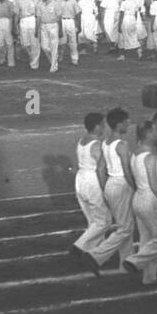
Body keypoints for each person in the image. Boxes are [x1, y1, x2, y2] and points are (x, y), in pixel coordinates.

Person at [91, 107, 137, 272]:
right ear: (119, 124)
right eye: (126, 122)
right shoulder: (122, 145)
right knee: (125, 228)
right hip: (122, 185)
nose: (128, 124)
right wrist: (136, 188)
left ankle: (126, 263)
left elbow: (100, 168)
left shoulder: (105, 143)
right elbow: (127, 170)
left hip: (111, 184)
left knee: (124, 225)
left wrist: (105, 189)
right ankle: (97, 254)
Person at [124, 120, 157, 285]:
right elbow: (155, 186)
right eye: (154, 131)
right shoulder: (150, 158)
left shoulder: (135, 153)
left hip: (138, 199)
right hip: (149, 200)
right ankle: (135, 261)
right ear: (148, 133)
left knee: (146, 239)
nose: (156, 134)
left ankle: (149, 277)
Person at [69, 112, 110, 275]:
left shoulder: (81, 141)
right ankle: (79, 246)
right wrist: (105, 189)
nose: (105, 127)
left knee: (93, 222)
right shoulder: (97, 145)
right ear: (97, 126)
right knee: (104, 221)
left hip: (80, 180)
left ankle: (94, 258)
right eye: (103, 124)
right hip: (92, 181)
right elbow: (101, 169)